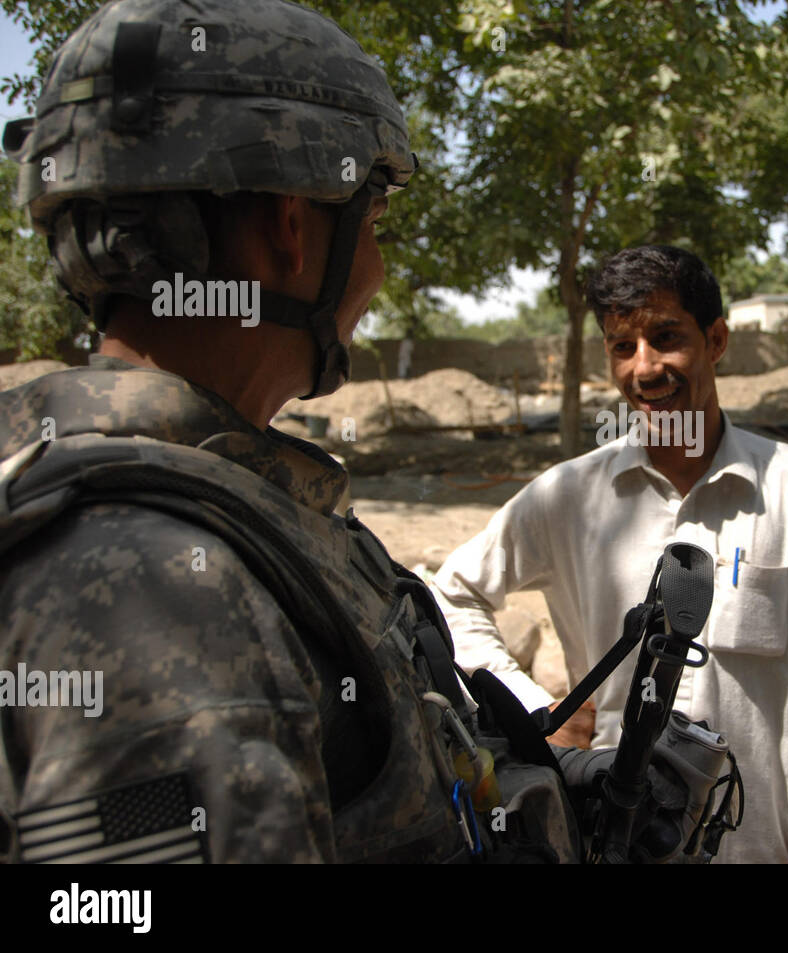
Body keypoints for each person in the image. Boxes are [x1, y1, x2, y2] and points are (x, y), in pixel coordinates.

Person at [0, 0, 596, 864]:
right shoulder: (165, 592)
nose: (380, 269)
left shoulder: (217, 502)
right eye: (375, 223)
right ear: (290, 222)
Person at [433, 245, 788, 864]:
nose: (645, 368)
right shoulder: (570, 494)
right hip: (609, 840)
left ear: (716, 340)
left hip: (758, 843)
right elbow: (454, 593)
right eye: (621, 346)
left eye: (665, 337)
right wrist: (536, 712)